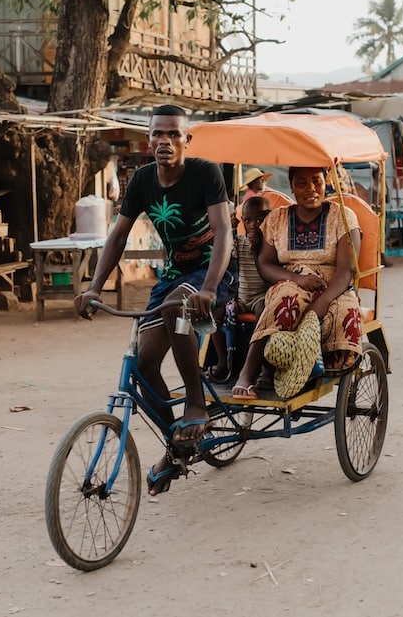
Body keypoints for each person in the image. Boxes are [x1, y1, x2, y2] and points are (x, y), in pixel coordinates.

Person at [72, 104, 233, 497]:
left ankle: (196, 405)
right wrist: (94, 286)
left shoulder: (204, 173)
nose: (164, 141)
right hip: (176, 273)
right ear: (149, 139)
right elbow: (118, 236)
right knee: (144, 366)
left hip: (215, 272)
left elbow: (224, 230)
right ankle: (176, 446)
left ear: (186, 140)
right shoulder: (142, 180)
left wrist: (210, 287)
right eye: (157, 134)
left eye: (173, 134)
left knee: (181, 304)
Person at [230, 166, 364, 399]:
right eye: (302, 183)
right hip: (292, 279)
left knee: (345, 315)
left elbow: (346, 270)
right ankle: (247, 373)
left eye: (316, 181)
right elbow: (265, 264)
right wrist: (297, 279)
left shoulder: (343, 216)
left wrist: (319, 305)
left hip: (334, 286)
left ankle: (317, 366)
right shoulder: (277, 218)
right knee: (285, 300)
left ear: (325, 182)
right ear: (291, 186)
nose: (311, 189)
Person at [207, 196, 272, 384]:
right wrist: (229, 230)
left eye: (260, 220)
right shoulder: (239, 241)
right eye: (248, 220)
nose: (253, 225)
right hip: (241, 297)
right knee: (215, 310)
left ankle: (265, 368)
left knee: (265, 314)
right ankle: (222, 362)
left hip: (263, 296)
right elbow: (221, 251)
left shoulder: (272, 243)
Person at [235, 167, 293, 232]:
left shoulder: (269, 194)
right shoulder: (251, 197)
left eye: (264, 180)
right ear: (253, 182)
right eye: (261, 180)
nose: (264, 182)